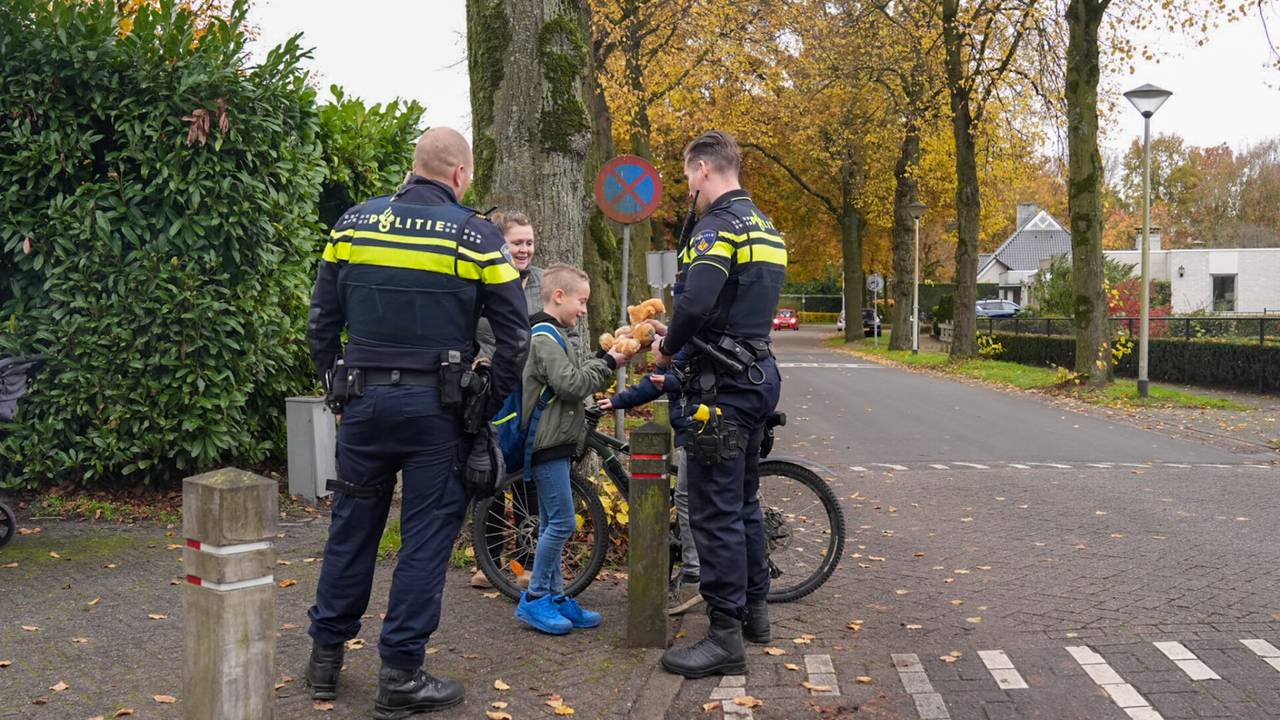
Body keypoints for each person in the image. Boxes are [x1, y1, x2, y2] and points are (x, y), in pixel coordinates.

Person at [304, 127, 530, 717]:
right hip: (436, 412)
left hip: (363, 405)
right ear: (459, 174)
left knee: (351, 527)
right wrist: (484, 403)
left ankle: (325, 659)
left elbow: (321, 319)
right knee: (425, 540)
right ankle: (401, 675)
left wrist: (336, 387)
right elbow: (516, 336)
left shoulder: (353, 224)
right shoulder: (475, 235)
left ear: (413, 167)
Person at [652, 130, 786, 679]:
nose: (688, 186)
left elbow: (697, 302)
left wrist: (668, 345)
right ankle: (756, 613)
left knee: (713, 512)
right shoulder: (766, 228)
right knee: (744, 500)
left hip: (722, 388)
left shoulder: (717, 227)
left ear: (704, 169)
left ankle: (725, 637)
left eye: (688, 175)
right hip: (757, 374)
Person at [515, 264, 631, 635]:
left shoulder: (555, 334)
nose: (583, 310)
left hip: (556, 442)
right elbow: (572, 385)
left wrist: (602, 357)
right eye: (581, 301)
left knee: (553, 522)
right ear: (559, 296)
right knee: (563, 522)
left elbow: (571, 377)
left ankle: (556, 596)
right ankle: (535, 599)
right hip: (546, 443)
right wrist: (608, 363)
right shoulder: (543, 338)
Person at [598, 329, 703, 616]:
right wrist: (616, 401)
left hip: (697, 431)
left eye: (653, 347)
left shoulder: (680, 356)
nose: (651, 352)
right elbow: (650, 386)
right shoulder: (672, 359)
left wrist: (668, 380)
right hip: (690, 430)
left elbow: (682, 382)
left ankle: (693, 573)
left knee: (685, 498)